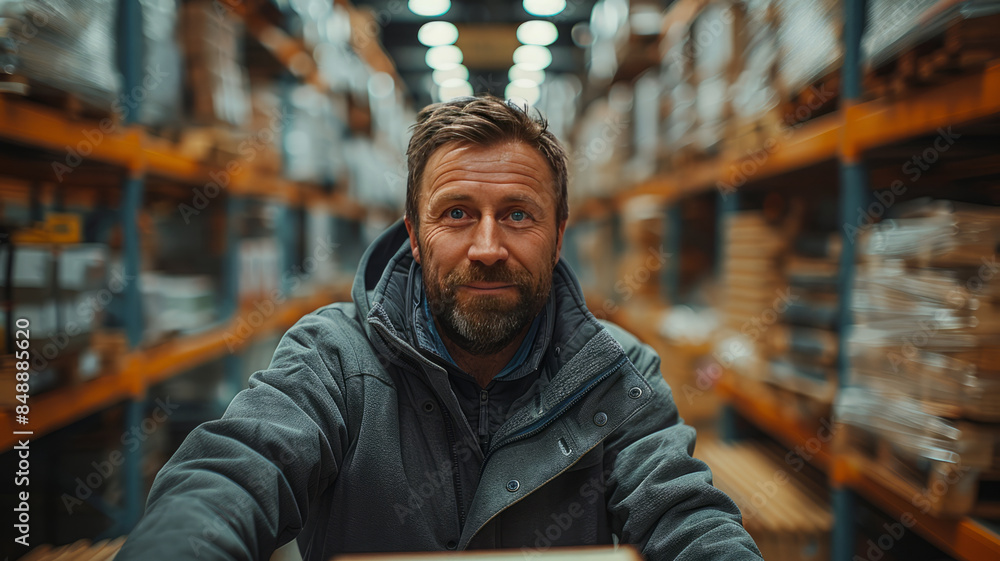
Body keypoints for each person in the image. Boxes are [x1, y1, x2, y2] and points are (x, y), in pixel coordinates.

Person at [117, 95, 762, 560]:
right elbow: (234, 472)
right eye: (456, 213)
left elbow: (684, 514)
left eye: (517, 215)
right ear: (416, 237)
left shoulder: (619, 372)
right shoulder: (334, 357)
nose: (487, 246)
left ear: (560, 235)